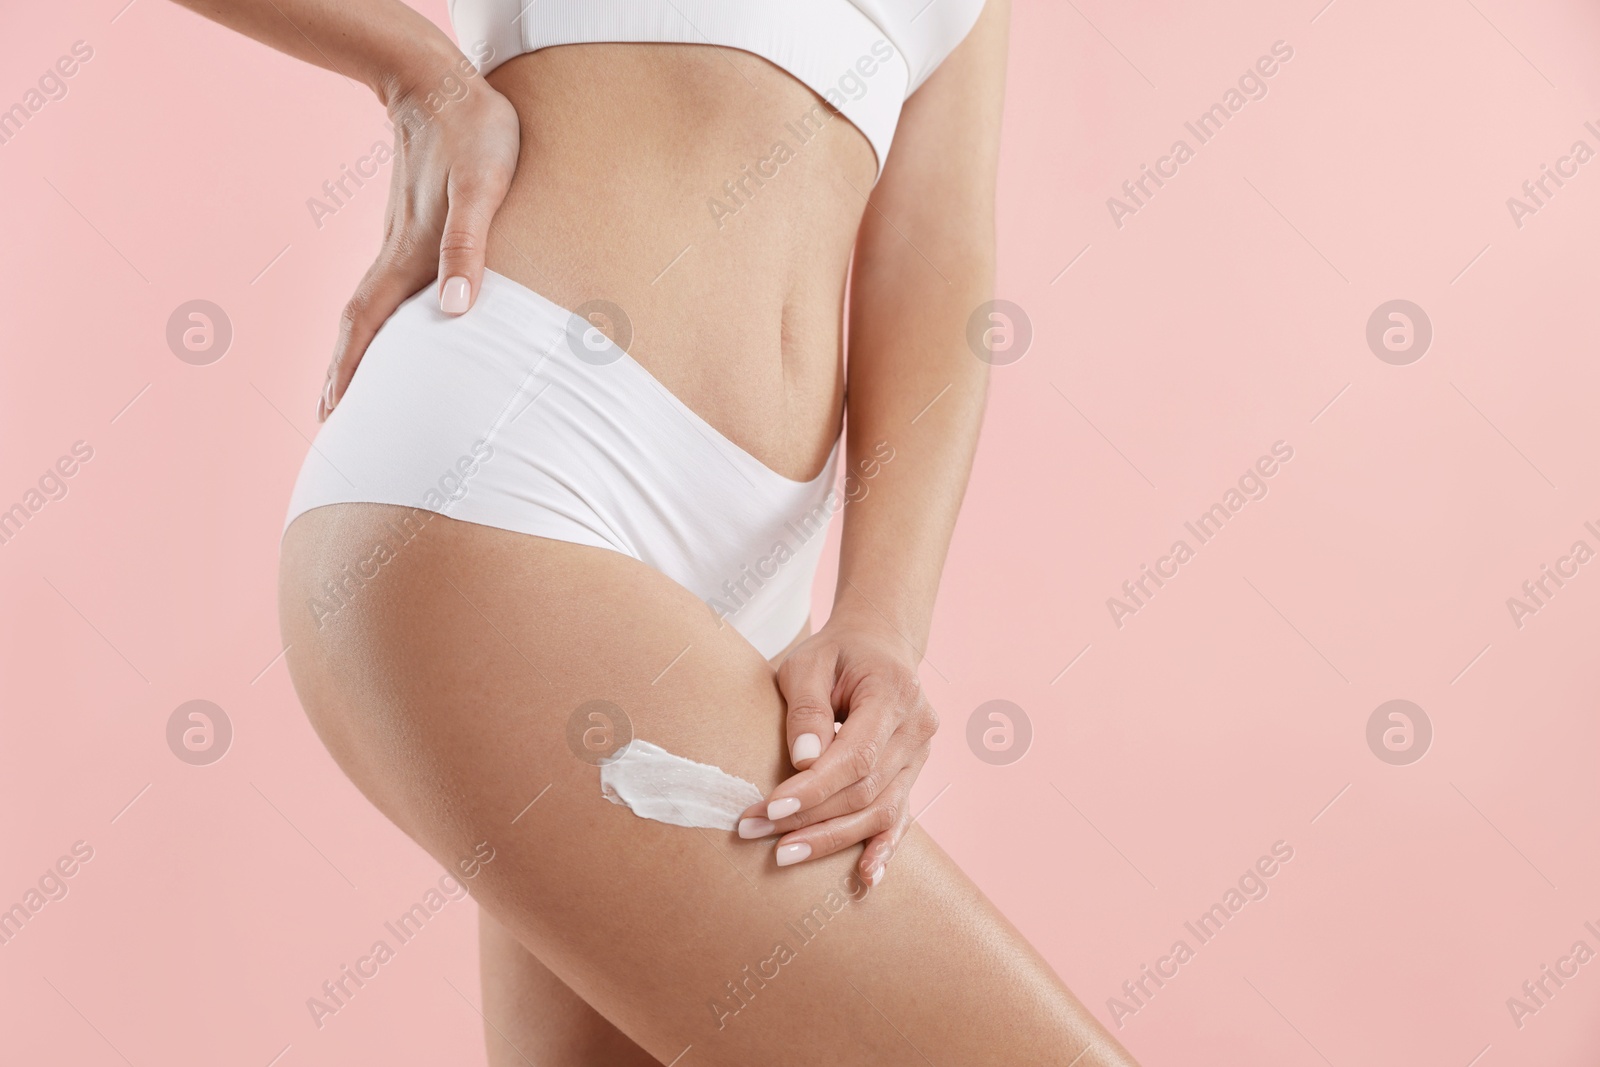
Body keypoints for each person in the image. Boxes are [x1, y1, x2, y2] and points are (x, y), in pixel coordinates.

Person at [173, 0, 1142, 1061]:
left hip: (754, 599)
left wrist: (882, 615)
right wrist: (415, 72)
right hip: (517, 466)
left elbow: (933, 251)